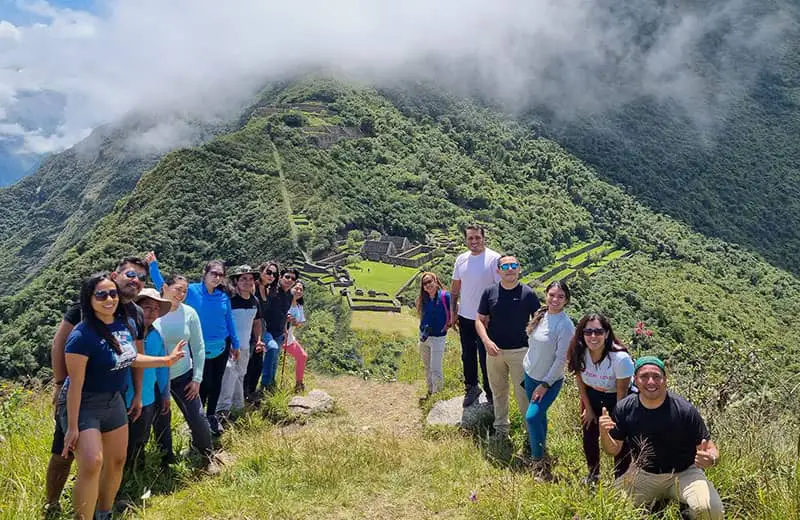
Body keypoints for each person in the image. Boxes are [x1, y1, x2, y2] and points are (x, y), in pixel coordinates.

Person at [58, 272, 185, 520]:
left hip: (114, 400)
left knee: (117, 461)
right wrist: (72, 427)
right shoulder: (81, 337)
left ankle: (104, 513)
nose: (109, 299)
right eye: (101, 294)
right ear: (89, 299)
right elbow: (75, 385)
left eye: (113, 293)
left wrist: (166, 360)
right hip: (85, 404)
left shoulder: (121, 326)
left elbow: (131, 358)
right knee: (92, 463)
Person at [45, 256, 148, 514]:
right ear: (116, 274)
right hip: (81, 394)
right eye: (130, 275)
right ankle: (53, 503)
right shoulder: (83, 311)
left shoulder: (134, 314)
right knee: (64, 451)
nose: (135, 281)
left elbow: (135, 355)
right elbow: (60, 344)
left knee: (111, 458)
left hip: (115, 396)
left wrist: (136, 393)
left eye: (141, 278)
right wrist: (60, 383)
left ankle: (101, 508)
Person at [600, 357, 724, 519]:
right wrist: (604, 433)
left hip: (685, 473)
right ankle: (663, 504)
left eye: (657, 376)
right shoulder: (625, 408)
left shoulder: (684, 410)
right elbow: (613, 450)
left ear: (665, 380)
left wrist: (711, 459)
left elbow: (711, 449)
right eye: (644, 377)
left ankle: (687, 511)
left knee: (710, 509)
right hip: (643, 474)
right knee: (610, 505)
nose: (651, 381)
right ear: (635, 381)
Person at [147, 256, 215, 467]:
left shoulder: (189, 313)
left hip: (182, 374)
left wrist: (197, 378)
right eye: (177, 289)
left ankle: (207, 456)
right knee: (161, 422)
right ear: (164, 287)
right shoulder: (153, 313)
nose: (181, 294)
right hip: (156, 378)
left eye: (184, 291)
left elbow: (199, 346)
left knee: (197, 417)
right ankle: (166, 462)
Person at [475, 255, 540, 438]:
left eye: (513, 265)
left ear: (519, 269)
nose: (510, 269)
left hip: (520, 352)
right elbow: (479, 320)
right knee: (498, 392)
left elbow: (539, 321)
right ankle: (501, 430)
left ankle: (530, 434)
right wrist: (486, 341)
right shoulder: (489, 292)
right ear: (498, 271)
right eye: (505, 266)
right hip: (494, 352)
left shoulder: (528, 293)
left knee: (524, 395)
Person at [566, 313, 633, 485]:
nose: (593, 336)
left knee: (619, 438)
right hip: (592, 395)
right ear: (582, 334)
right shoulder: (579, 351)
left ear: (607, 333)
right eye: (588, 332)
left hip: (618, 398)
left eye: (598, 332)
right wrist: (588, 409)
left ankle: (621, 481)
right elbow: (580, 380)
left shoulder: (620, 359)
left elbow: (622, 393)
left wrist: (616, 419)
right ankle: (593, 475)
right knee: (589, 435)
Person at [522, 280, 575, 479]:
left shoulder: (565, 325)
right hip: (530, 375)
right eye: (552, 295)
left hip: (548, 381)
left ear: (566, 300)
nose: (555, 299)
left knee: (532, 416)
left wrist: (545, 384)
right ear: (546, 295)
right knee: (539, 417)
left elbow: (562, 360)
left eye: (560, 297)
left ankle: (539, 465)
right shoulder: (541, 315)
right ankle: (543, 453)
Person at [184, 260, 240, 436]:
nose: (217, 277)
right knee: (203, 382)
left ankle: (211, 416)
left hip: (223, 345)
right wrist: (153, 266)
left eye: (220, 275)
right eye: (213, 273)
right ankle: (198, 418)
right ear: (205, 273)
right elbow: (165, 287)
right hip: (199, 346)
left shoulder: (222, 296)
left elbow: (229, 319)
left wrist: (236, 344)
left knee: (216, 383)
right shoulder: (191, 291)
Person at [449, 224, 501, 407]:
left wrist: (492, 315)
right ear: (466, 240)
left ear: (483, 237)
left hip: (486, 319)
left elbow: (499, 290)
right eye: (470, 238)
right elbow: (455, 289)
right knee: (467, 355)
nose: (474, 241)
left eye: (477, 237)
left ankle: (490, 392)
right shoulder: (461, 260)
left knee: (486, 357)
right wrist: (453, 313)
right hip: (465, 316)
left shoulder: (494, 259)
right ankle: (471, 387)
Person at [124, 288, 173, 469]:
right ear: (136, 307)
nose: (151, 312)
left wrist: (165, 394)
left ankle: (136, 474)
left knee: (140, 439)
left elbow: (162, 368)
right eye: (147, 307)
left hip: (147, 398)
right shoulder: (124, 332)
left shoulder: (157, 336)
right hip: (122, 398)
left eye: (155, 309)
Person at [217, 265, 264, 419]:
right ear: (236, 281)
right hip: (229, 345)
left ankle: (237, 406)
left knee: (240, 375)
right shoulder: (230, 300)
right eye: (243, 278)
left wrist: (258, 340)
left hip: (245, 346)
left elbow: (257, 322)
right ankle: (222, 408)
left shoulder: (254, 301)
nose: (247, 282)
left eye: (250, 279)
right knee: (229, 373)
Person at [258, 267, 297, 393]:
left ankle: (271, 384)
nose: (289, 280)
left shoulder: (290, 295)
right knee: (272, 349)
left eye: (292, 278)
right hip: (266, 329)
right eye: (287, 277)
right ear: (280, 277)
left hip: (280, 331)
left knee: (275, 359)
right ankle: (264, 384)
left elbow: (284, 312)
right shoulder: (272, 290)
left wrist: (286, 328)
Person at [245, 261, 280, 399]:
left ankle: (257, 389)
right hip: (249, 328)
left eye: (274, 274)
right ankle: (245, 393)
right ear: (261, 271)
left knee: (258, 362)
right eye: (269, 272)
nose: (271, 276)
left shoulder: (267, 290)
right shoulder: (253, 287)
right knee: (249, 362)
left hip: (261, 329)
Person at [415, 272, 451, 397]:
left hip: (438, 337)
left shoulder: (445, 296)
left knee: (436, 367)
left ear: (436, 281)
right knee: (427, 366)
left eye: (430, 281)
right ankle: (430, 390)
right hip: (424, 336)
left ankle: (437, 395)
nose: (428, 285)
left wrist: (449, 324)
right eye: (425, 283)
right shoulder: (423, 299)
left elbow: (455, 309)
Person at [284, 280, 309, 394]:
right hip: (279, 337)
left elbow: (300, 323)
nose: (298, 291)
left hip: (289, 339)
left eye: (301, 290)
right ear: (291, 288)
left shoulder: (299, 306)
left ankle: (299, 383)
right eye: (296, 288)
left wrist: (294, 322)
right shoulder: (283, 302)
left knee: (302, 356)